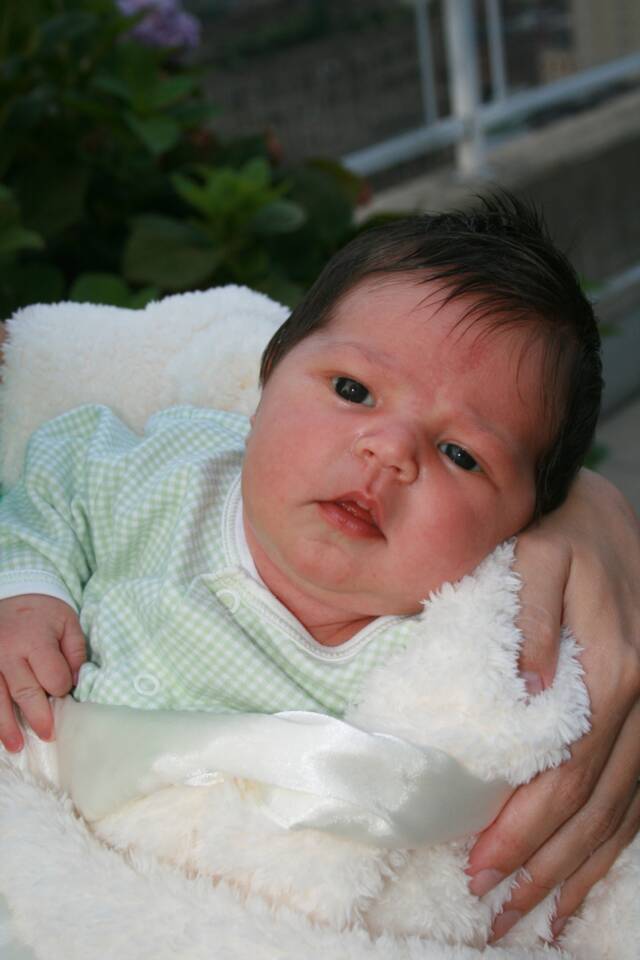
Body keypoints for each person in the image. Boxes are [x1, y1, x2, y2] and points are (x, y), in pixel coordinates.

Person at [0, 193, 638, 943]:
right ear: (268, 376)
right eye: (353, 391)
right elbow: (53, 483)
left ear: (525, 521)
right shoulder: (168, 472)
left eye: (460, 454)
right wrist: (26, 589)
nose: (389, 450)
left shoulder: (469, 649)